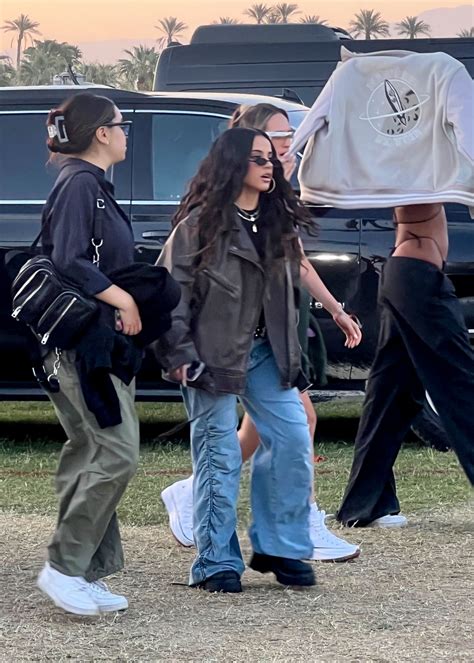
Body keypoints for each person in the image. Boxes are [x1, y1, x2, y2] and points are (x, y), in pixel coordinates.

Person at [155, 127, 360, 593]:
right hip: (212, 356)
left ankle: (280, 548)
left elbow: (293, 291)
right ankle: (215, 562)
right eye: (257, 158)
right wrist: (180, 355)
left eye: (271, 158)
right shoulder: (198, 226)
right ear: (232, 164)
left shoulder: (276, 223)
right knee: (219, 454)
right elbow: (172, 297)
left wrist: (325, 320)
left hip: (269, 353)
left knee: (291, 439)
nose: (269, 166)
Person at [35, 93, 142, 615]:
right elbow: (69, 259)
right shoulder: (80, 183)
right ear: (102, 133)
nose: (127, 134)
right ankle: (64, 567)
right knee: (117, 452)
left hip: (88, 345)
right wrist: (121, 297)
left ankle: (85, 571)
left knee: (87, 452)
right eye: (122, 126)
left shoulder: (88, 183)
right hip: (83, 347)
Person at [336, 202, 474, 527]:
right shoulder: (415, 166)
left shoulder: (425, 165)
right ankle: (365, 503)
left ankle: (365, 505)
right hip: (418, 281)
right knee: (461, 385)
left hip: (407, 276)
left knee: (390, 396)